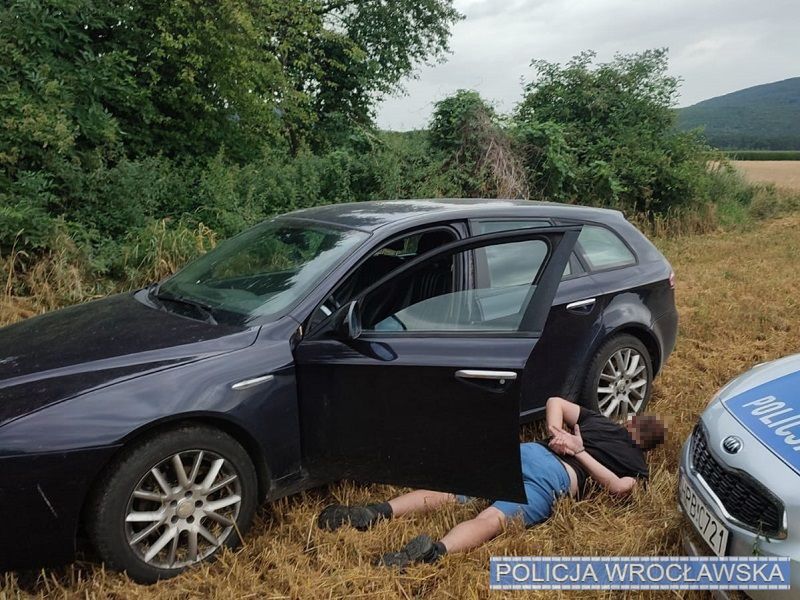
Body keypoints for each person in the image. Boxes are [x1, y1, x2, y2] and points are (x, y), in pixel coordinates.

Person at [316, 396, 666, 568]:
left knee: (452, 491)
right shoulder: (637, 465)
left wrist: (558, 434)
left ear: (631, 423)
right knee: (492, 519)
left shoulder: (600, 421)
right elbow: (620, 489)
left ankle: (374, 511)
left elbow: (554, 401)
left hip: (528, 452)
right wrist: (579, 453)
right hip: (556, 478)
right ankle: (435, 552)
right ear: (649, 448)